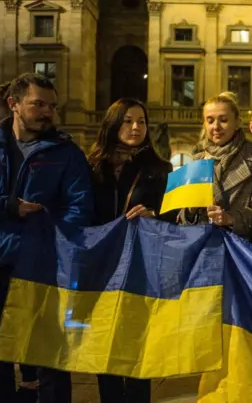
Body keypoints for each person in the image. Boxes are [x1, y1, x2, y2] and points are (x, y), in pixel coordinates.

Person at [0, 73, 94, 403]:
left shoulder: (66, 152)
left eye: (51, 105)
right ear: (14, 104)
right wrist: (8, 206)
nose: (47, 111)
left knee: (48, 361)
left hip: (39, 270)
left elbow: (79, 207)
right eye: (38, 104)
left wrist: (48, 235)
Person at [88, 98, 171, 403]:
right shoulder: (92, 166)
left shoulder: (160, 168)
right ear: (113, 123)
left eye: (141, 122)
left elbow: (175, 218)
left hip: (141, 268)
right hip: (101, 268)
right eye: (127, 121)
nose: (136, 127)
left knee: (137, 350)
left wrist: (155, 216)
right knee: (104, 349)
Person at [0, 85, 41, 403]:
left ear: (12, 109)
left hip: (26, 260)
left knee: (30, 347)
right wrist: (8, 205)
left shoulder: (38, 148)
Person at [176, 92, 252, 238]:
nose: (216, 127)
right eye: (210, 120)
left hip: (240, 250)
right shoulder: (197, 160)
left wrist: (230, 218)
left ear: (238, 122)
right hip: (202, 247)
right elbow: (181, 219)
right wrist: (191, 209)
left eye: (223, 120)